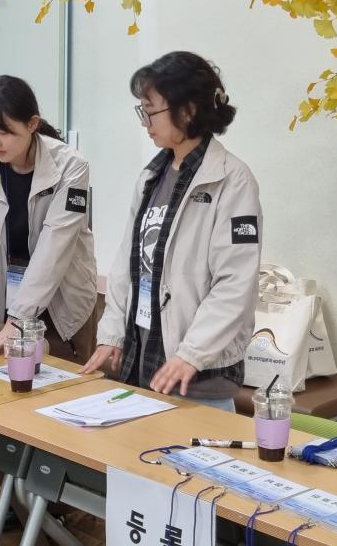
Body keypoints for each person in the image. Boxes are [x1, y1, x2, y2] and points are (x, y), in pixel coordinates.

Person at [81, 51, 262, 412]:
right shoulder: (152, 176)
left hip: (196, 373)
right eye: (142, 110)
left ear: (188, 110)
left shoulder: (232, 180)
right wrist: (113, 334)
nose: (145, 121)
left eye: (151, 110)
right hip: (144, 357)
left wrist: (191, 355)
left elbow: (235, 283)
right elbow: (128, 266)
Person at [0, 75, 98, 362]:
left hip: (63, 301)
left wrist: (18, 321)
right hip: (10, 296)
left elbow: (54, 248)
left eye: (5, 132)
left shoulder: (71, 167)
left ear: (32, 124)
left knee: (61, 385)